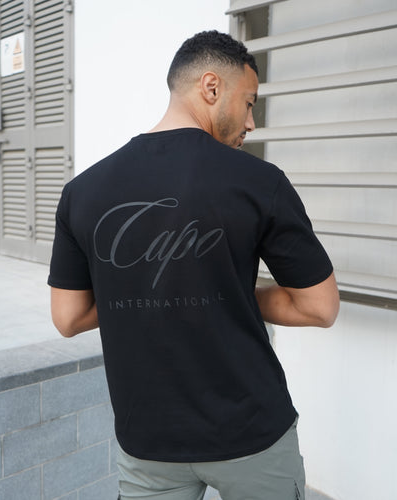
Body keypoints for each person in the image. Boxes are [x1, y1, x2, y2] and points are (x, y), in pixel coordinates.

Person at [49, 30, 339, 500]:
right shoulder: (260, 182)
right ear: (211, 87)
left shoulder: (81, 191)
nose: (251, 122)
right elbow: (319, 307)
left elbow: (68, 317)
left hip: (148, 439)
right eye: (249, 104)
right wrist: (230, 292)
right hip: (251, 433)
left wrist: (143, 291)